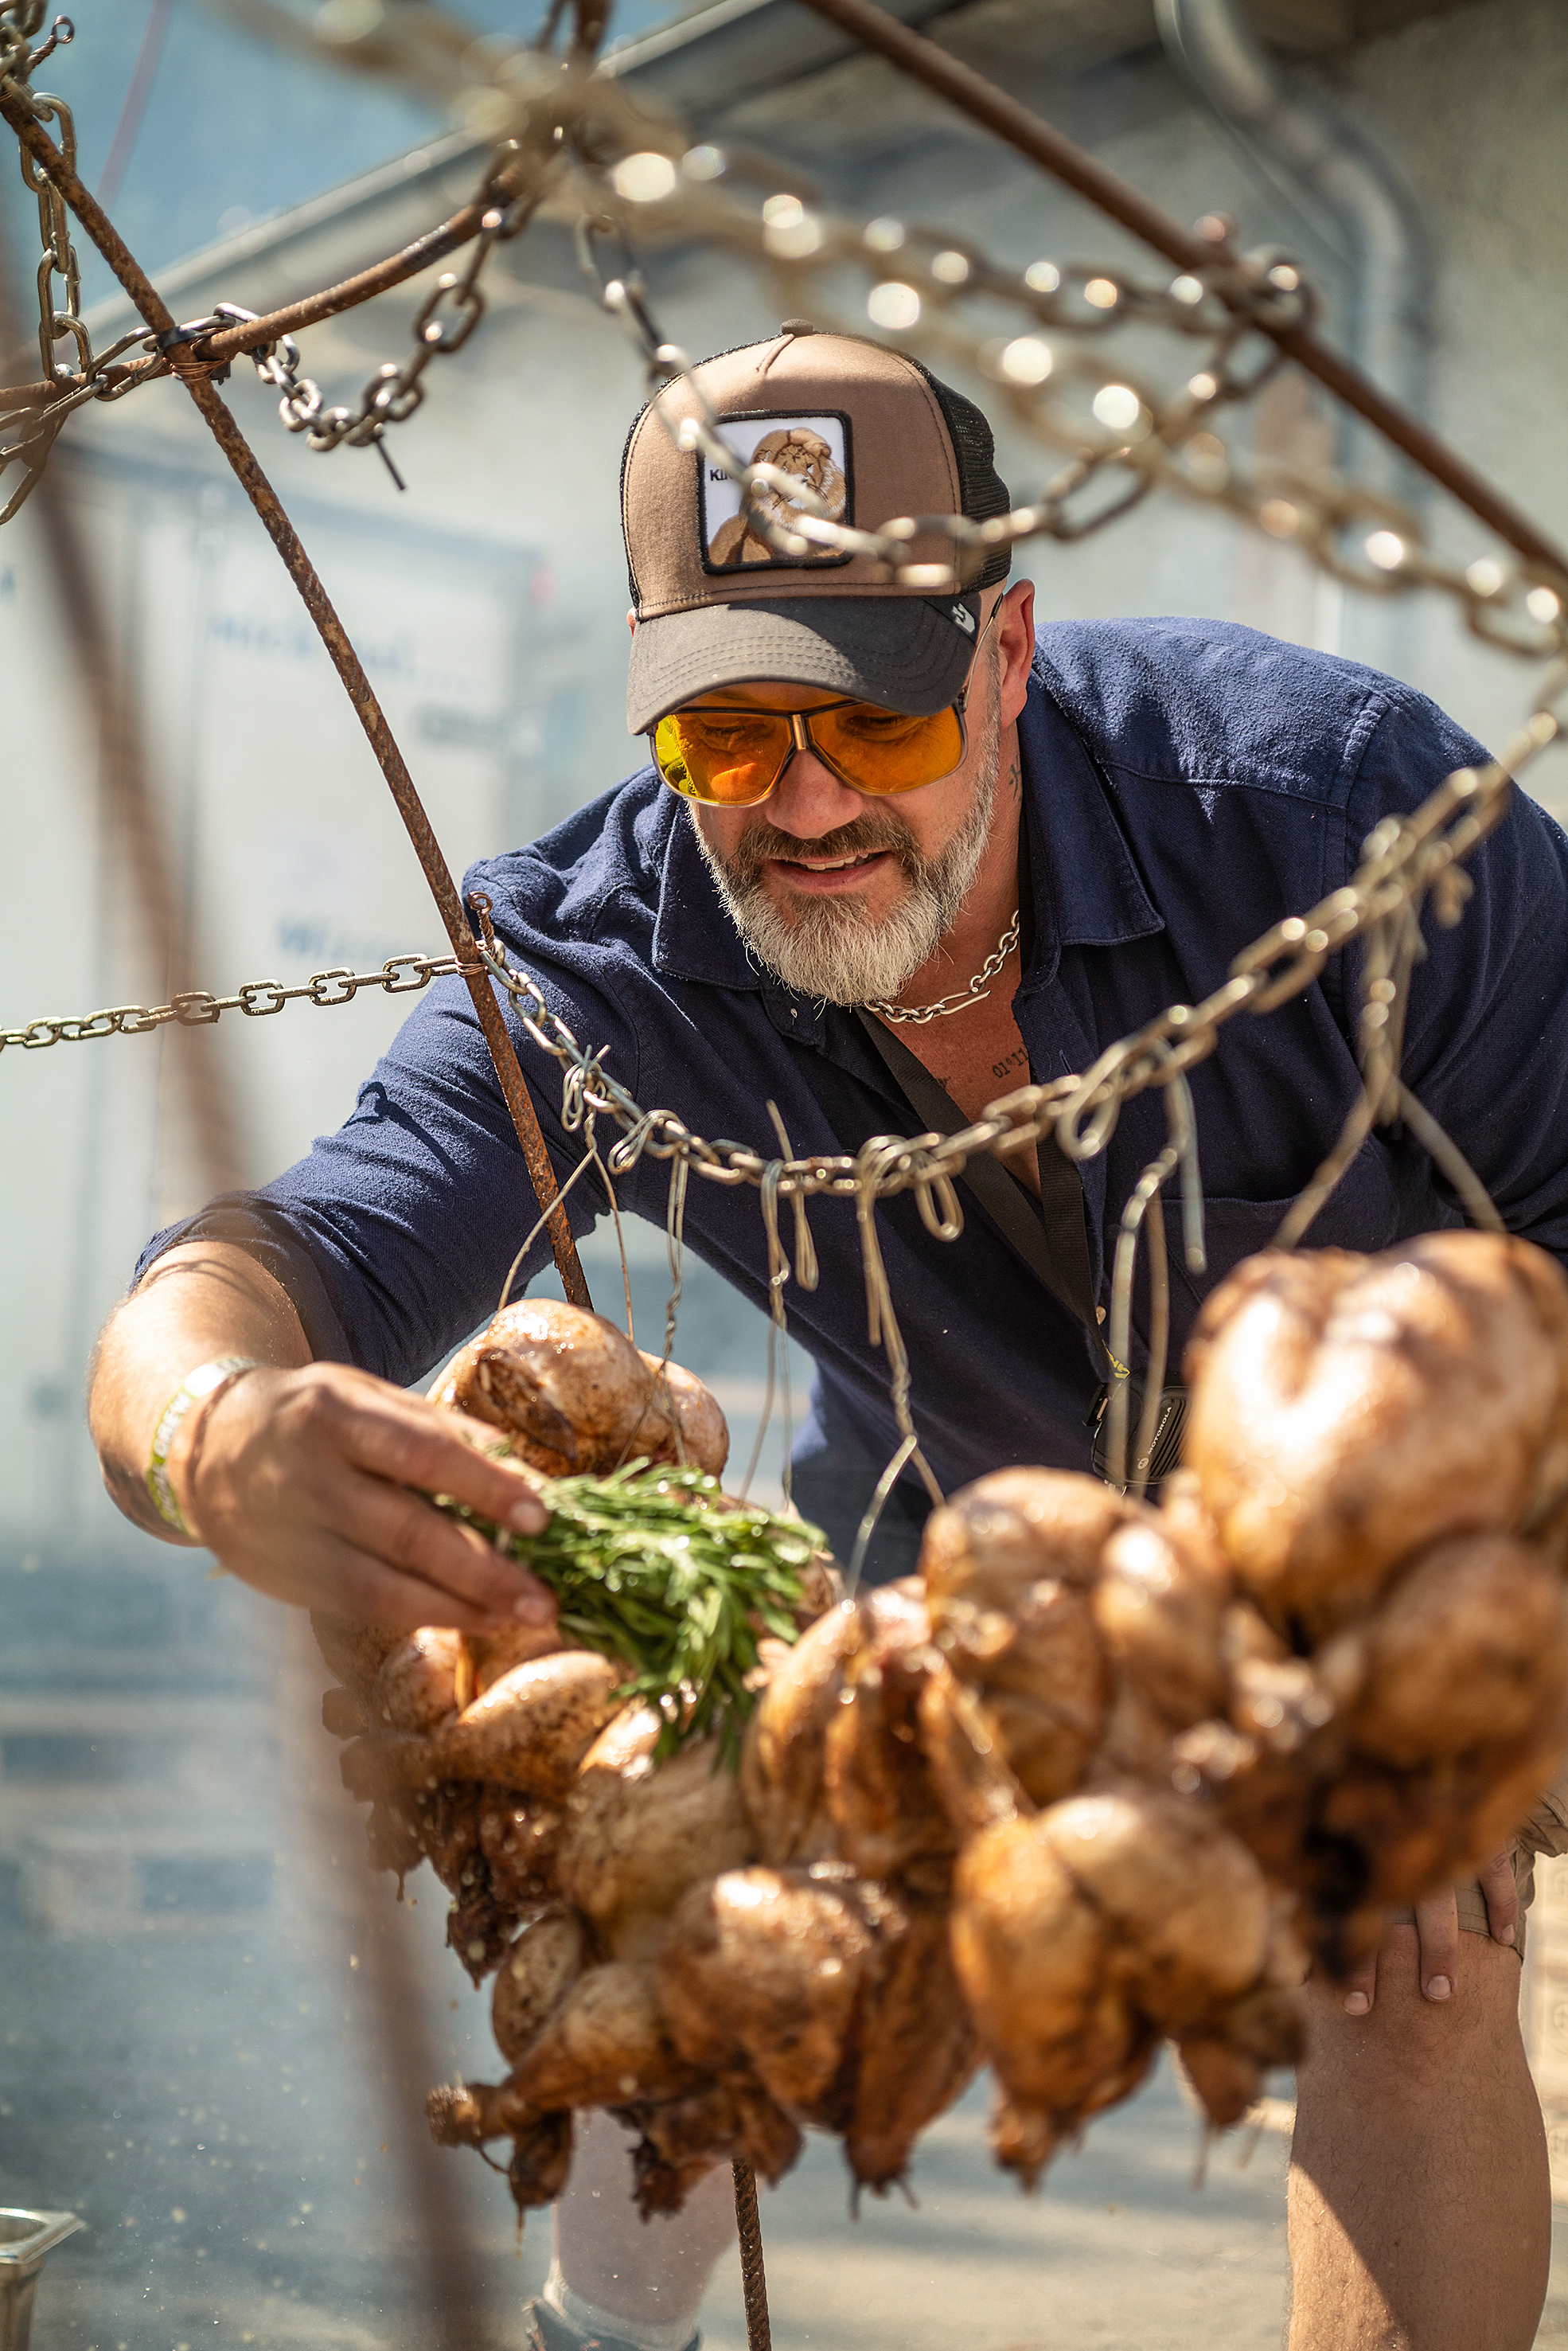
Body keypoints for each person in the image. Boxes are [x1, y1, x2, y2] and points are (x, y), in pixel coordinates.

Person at [89, 324, 1568, 2351]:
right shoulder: (599, 966)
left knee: (1402, 1934)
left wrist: (1440, 1642)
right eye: (725, 735)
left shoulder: (1339, 823)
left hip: (1394, 1524)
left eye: (873, 720)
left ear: (1005, 652)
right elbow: (264, 1265)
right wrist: (210, 1427)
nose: (803, 801)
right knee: (718, 1896)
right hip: (942, 1524)